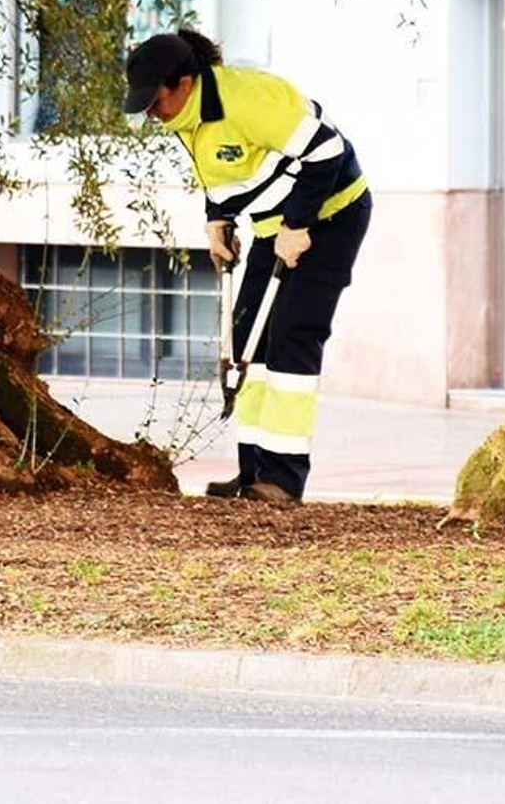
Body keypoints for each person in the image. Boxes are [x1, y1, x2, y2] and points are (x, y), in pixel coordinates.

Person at [123, 29, 372, 505]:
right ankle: (252, 471)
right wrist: (218, 220)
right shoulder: (189, 117)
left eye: (155, 100)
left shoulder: (244, 99)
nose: (151, 113)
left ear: (185, 82)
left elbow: (327, 151)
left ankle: (282, 480)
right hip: (273, 225)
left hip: (334, 215)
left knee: (292, 336)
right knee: (246, 340)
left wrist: (300, 226)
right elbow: (224, 171)